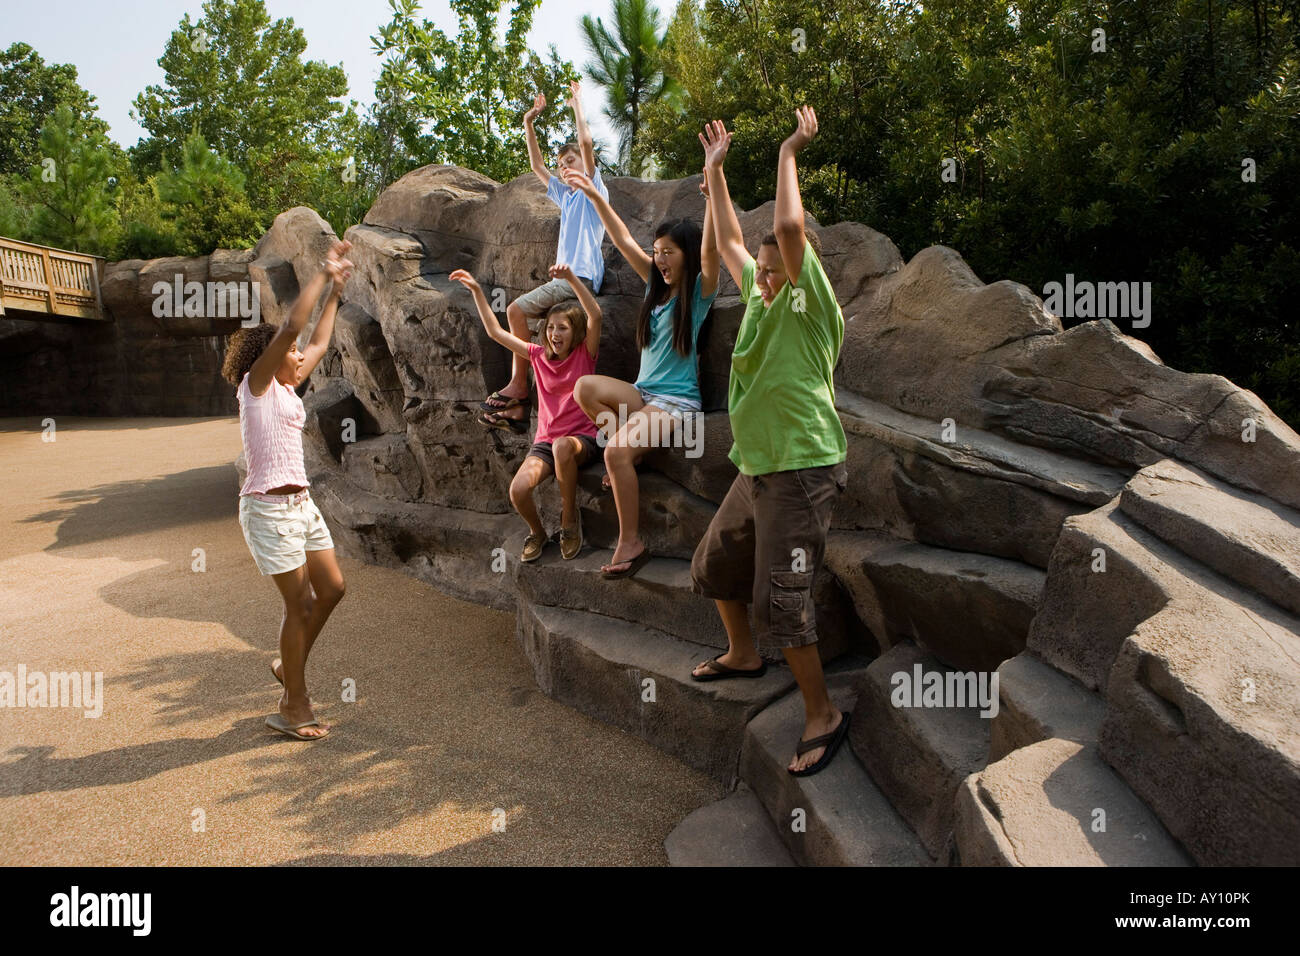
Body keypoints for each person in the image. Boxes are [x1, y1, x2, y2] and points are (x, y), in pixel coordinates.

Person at [689, 110, 851, 776]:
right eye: (760, 270)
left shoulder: (813, 309)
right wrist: (716, 172)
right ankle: (743, 656)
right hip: (758, 469)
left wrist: (790, 150)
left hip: (803, 470)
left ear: (802, 268)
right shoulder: (760, 294)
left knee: (781, 603)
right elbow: (730, 238)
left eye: (777, 269)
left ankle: (823, 715)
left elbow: (786, 227)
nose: (763, 278)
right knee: (714, 567)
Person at [220, 240, 354, 741]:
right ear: (269, 356)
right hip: (268, 510)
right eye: (289, 353)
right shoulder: (254, 387)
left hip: (302, 506)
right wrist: (321, 273)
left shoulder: (287, 386)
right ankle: (292, 704)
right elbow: (295, 328)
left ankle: (287, 664)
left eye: (298, 355)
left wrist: (337, 294)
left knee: (334, 588)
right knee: (297, 605)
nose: (299, 357)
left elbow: (316, 340)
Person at [563, 165, 720, 578]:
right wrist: (596, 196)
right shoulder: (654, 288)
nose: (659, 258)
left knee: (614, 452)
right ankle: (629, 456)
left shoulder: (700, 292)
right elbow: (622, 239)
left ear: (687, 253)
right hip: (643, 394)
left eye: (669, 251)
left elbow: (714, 250)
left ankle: (631, 543)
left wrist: (712, 193)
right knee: (584, 388)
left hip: (676, 402)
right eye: (657, 251)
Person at [479, 80, 608, 433]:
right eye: (562, 165)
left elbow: (585, 143)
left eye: (571, 162)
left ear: (586, 165)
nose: (565, 168)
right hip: (564, 283)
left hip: (578, 281)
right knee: (542, 333)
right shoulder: (566, 198)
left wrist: (577, 104)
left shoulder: (593, 189)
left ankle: (520, 385)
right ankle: (526, 410)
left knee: (516, 309)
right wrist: (529, 123)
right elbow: (537, 167)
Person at [453, 263, 603, 561]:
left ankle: (569, 521)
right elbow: (495, 332)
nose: (555, 334)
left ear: (575, 332)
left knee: (562, 446)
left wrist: (571, 278)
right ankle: (537, 532)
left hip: (581, 440)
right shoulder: (536, 355)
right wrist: (477, 292)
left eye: (563, 328)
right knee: (518, 491)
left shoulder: (585, 354)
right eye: (550, 327)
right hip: (546, 443)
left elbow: (595, 315)